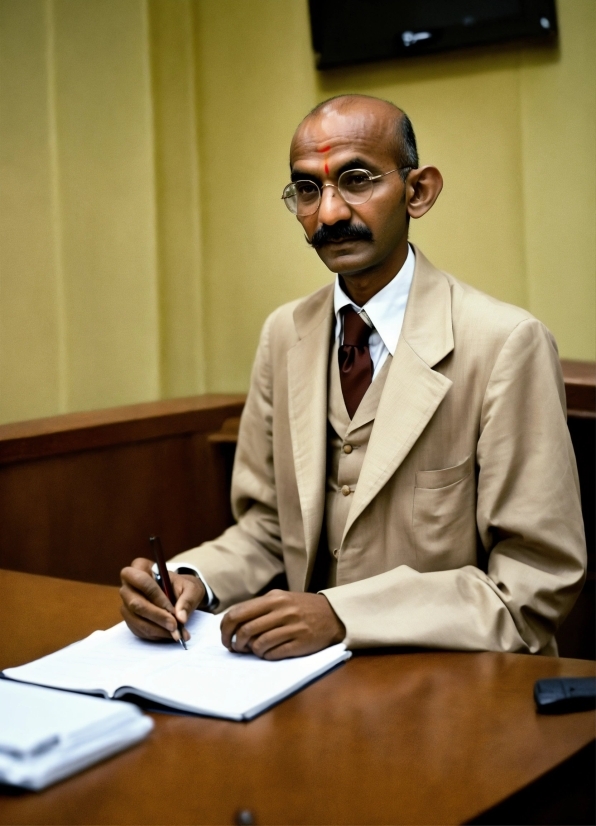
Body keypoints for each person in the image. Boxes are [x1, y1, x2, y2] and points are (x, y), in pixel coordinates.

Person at [120, 94, 586, 660]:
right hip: (308, 689)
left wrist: (343, 615)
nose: (331, 213)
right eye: (309, 189)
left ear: (418, 192)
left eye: (357, 179)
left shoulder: (506, 344)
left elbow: (533, 588)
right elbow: (270, 525)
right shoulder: (283, 334)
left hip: (457, 690)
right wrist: (193, 580)